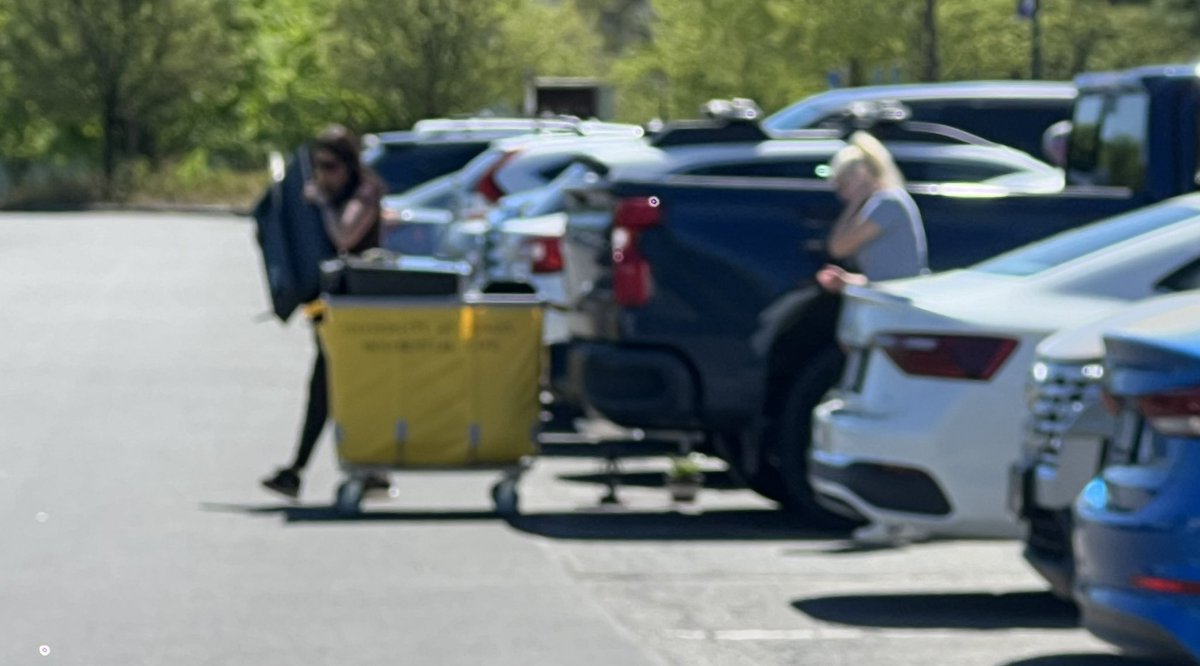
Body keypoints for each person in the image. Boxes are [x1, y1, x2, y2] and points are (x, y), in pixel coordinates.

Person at [261, 124, 385, 499]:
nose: (323, 175)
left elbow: (345, 236)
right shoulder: (333, 191)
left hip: (360, 307)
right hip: (331, 305)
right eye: (318, 166)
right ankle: (360, 470)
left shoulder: (364, 193)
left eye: (330, 166)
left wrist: (324, 205)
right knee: (329, 387)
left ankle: (357, 468)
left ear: (348, 165)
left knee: (336, 388)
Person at [815, 131, 928, 293]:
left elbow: (838, 247)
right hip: (890, 299)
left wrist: (854, 204)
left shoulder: (888, 203)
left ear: (861, 176)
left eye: (843, 184)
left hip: (897, 305)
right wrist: (847, 280)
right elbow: (882, 277)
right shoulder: (882, 202)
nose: (840, 193)